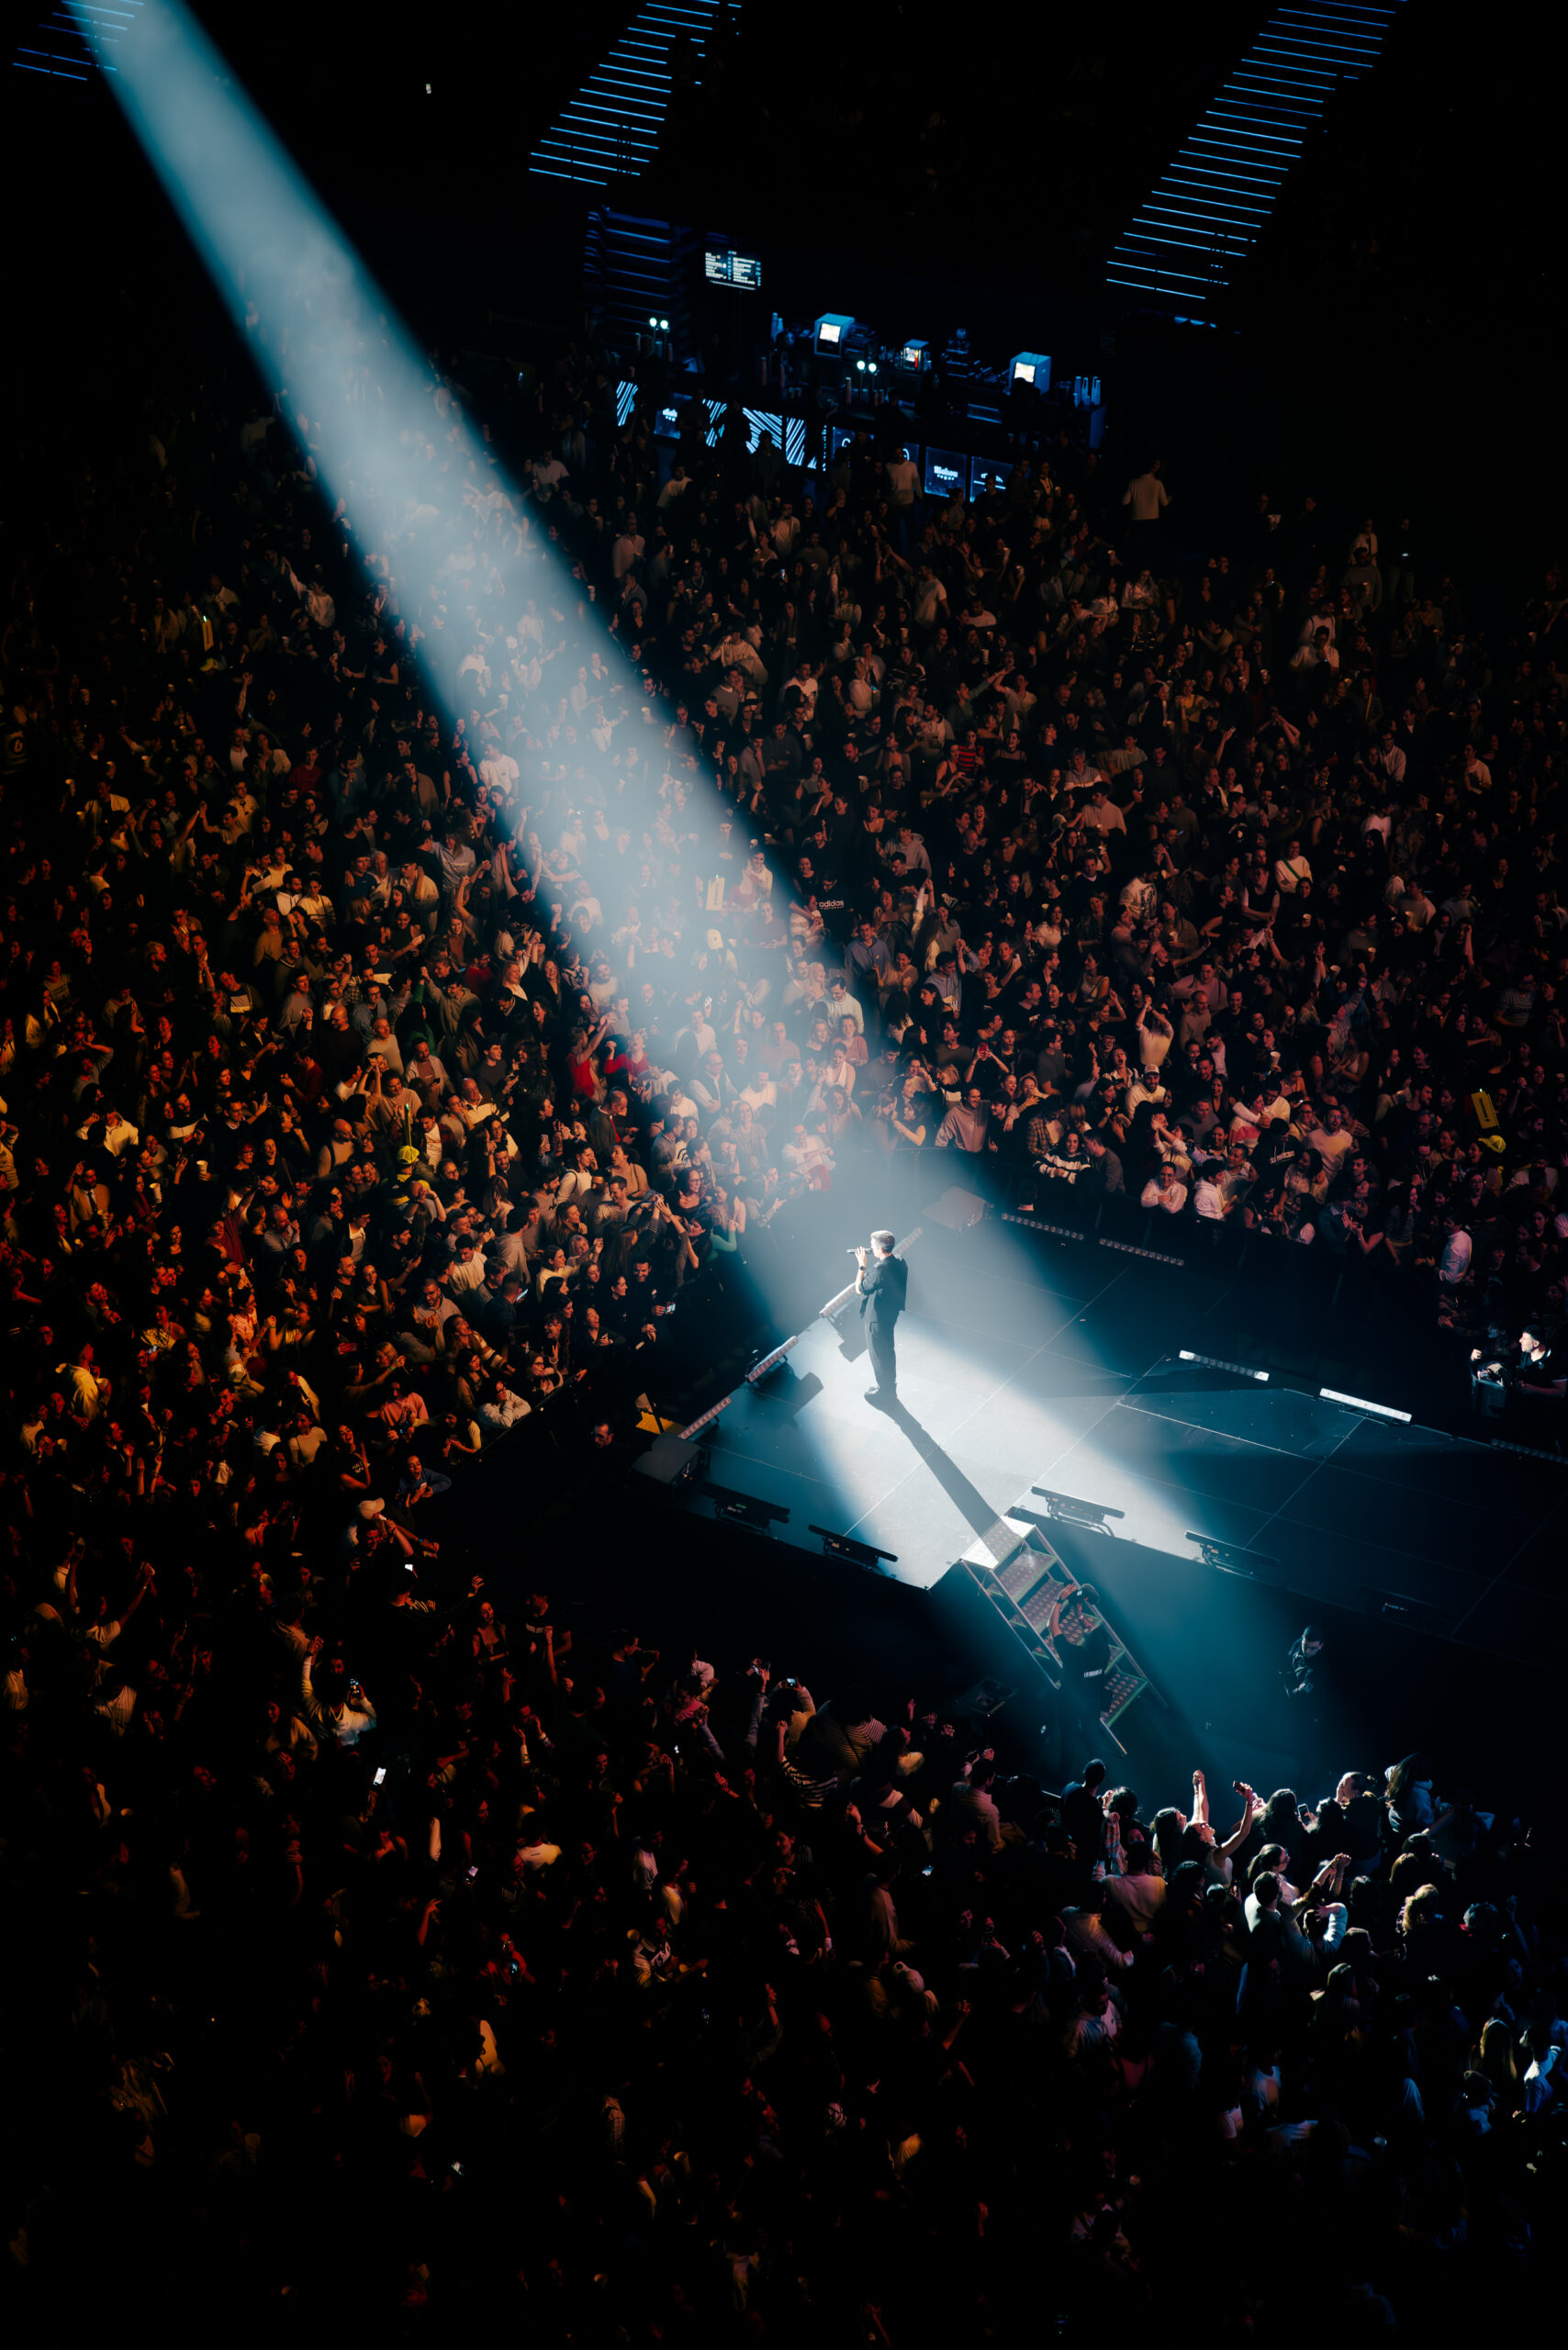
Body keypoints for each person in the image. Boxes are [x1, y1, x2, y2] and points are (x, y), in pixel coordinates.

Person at [855, 1228, 908, 1406]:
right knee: (888, 1351)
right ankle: (889, 1387)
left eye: (872, 1246)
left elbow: (860, 1288)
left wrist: (862, 1266)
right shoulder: (900, 1261)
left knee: (878, 1355)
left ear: (879, 1249)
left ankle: (885, 1393)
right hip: (890, 1314)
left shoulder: (879, 1270)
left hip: (876, 1319)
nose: (870, 1248)